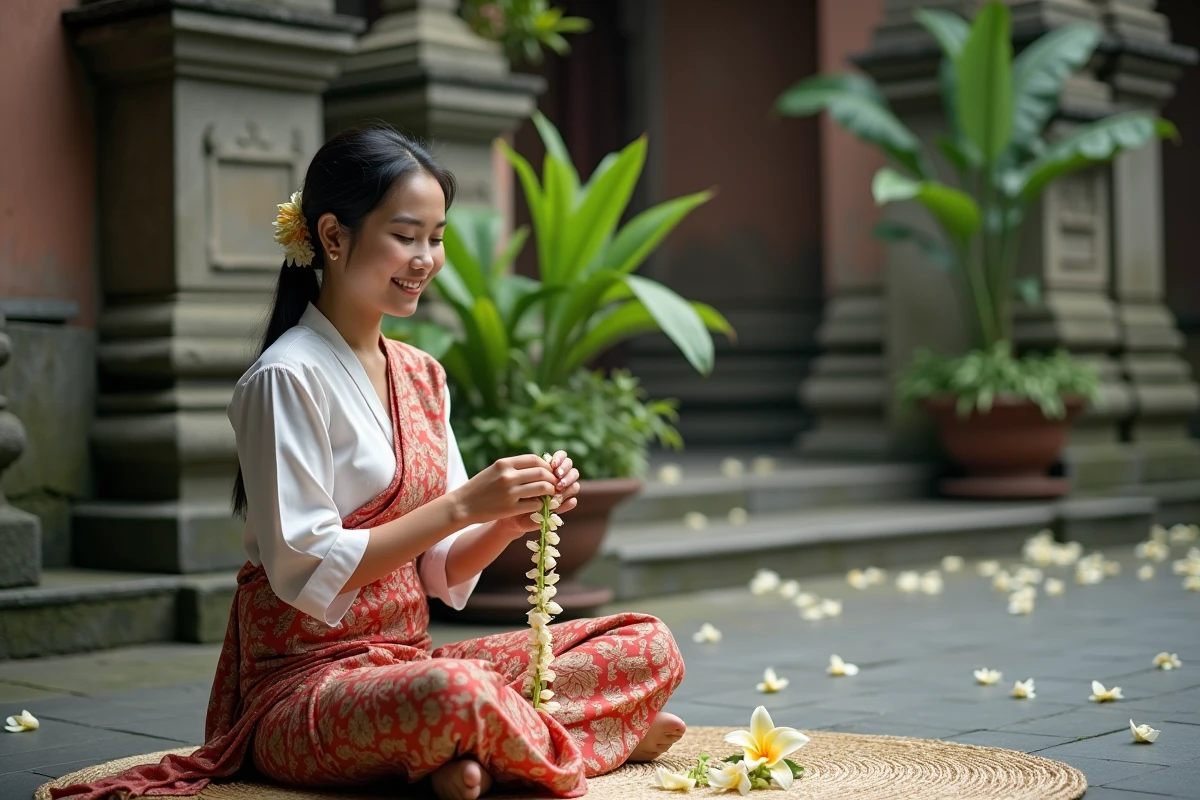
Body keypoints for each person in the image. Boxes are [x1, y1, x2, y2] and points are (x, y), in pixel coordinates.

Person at [51, 125, 686, 800]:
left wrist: (506, 520)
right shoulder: (284, 379)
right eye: (406, 236)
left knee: (648, 642)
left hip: (406, 669)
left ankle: (475, 753)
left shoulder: (423, 375)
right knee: (455, 690)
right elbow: (305, 569)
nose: (426, 258)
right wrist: (464, 504)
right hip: (304, 692)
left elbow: (440, 568)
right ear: (332, 236)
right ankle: (564, 739)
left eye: (436, 237)